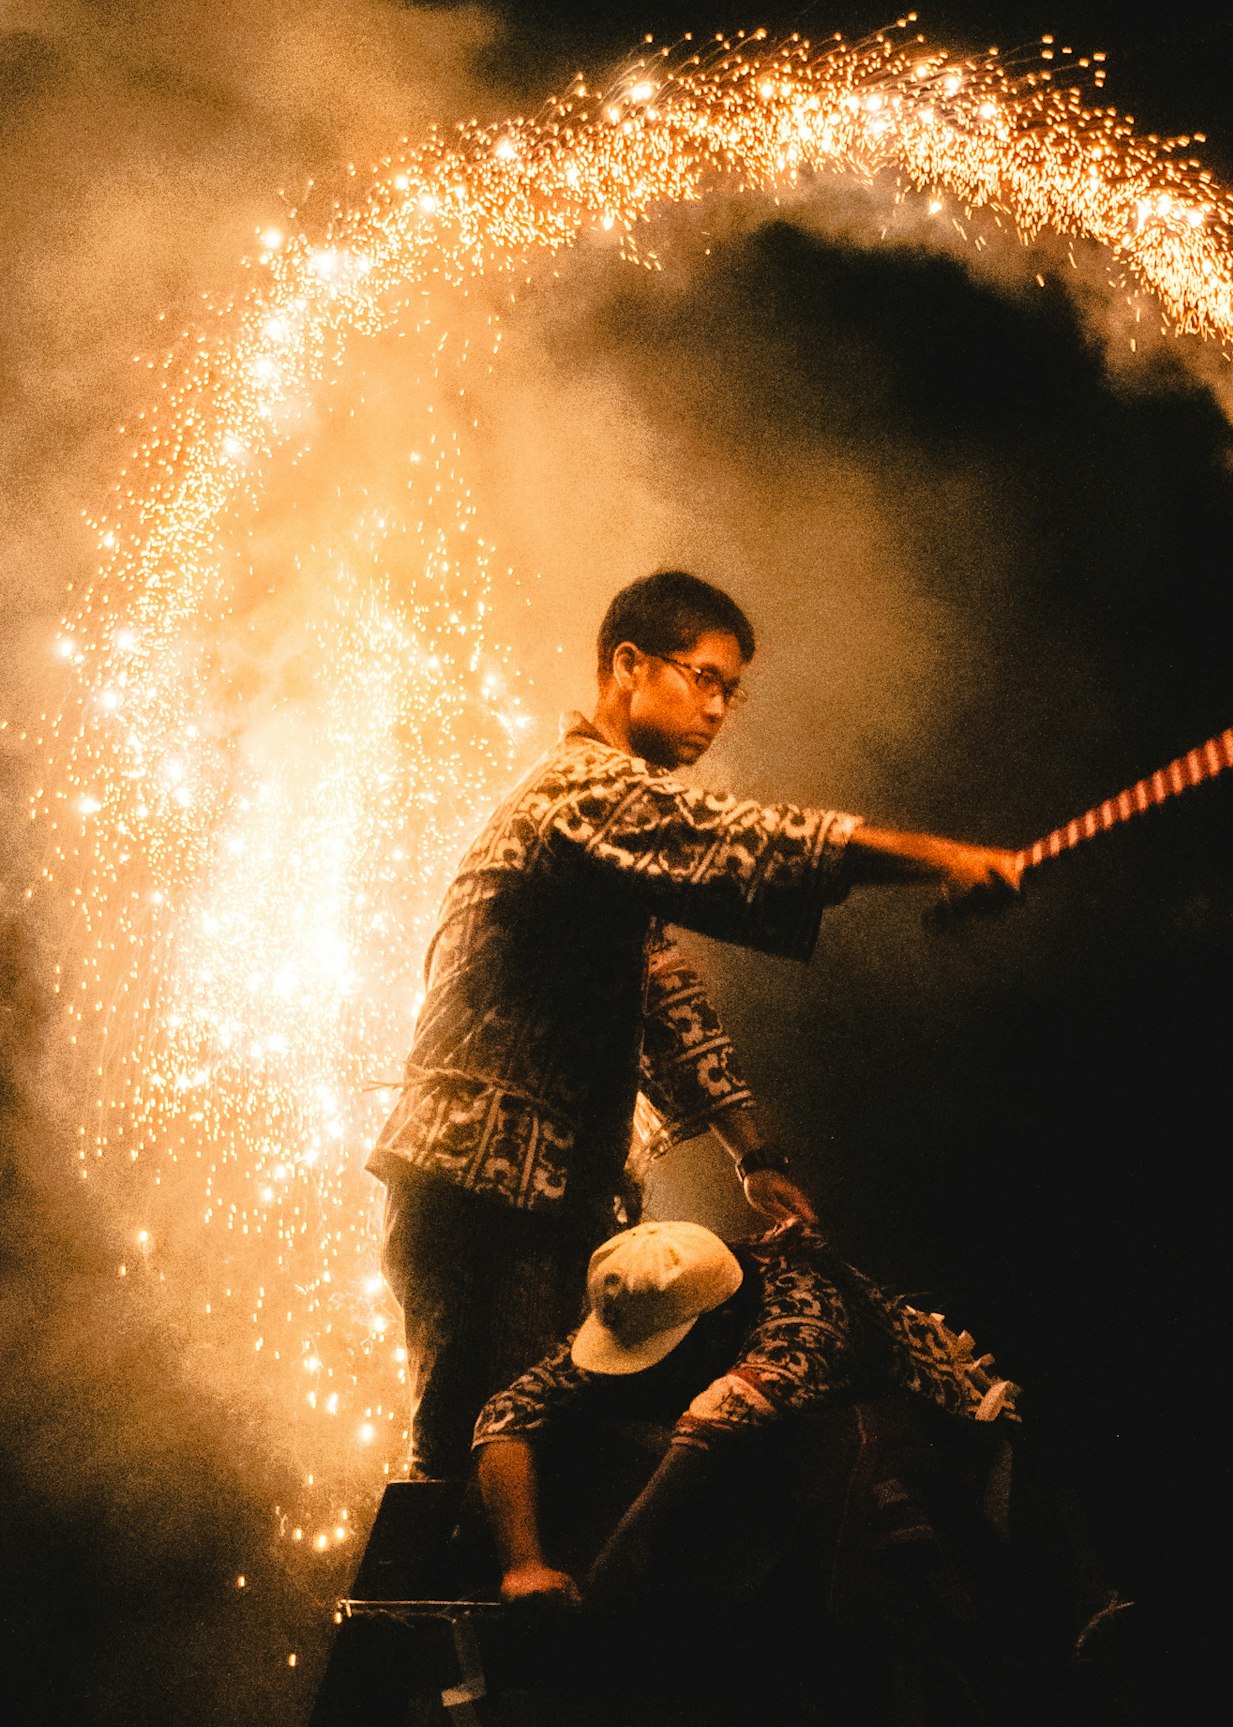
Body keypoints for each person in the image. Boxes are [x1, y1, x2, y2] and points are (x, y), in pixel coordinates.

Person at [368, 571, 1027, 1476]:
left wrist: (754, 1156)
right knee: (480, 1458)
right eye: (702, 677)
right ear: (629, 665)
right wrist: (939, 858)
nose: (718, 708)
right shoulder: (582, 792)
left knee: (529, 1456)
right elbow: (737, 840)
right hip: (483, 1191)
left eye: (731, 689)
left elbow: (663, 1002)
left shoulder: (611, 829)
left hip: (535, 1196)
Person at [472, 1218, 1019, 1609]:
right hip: (761, 1437)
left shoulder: (804, 1307)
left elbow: (729, 1409)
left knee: (856, 1470)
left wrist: (622, 1556)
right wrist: (523, 1563)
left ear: (715, 1325)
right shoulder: (649, 1296)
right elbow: (511, 1411)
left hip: (934, 1423)